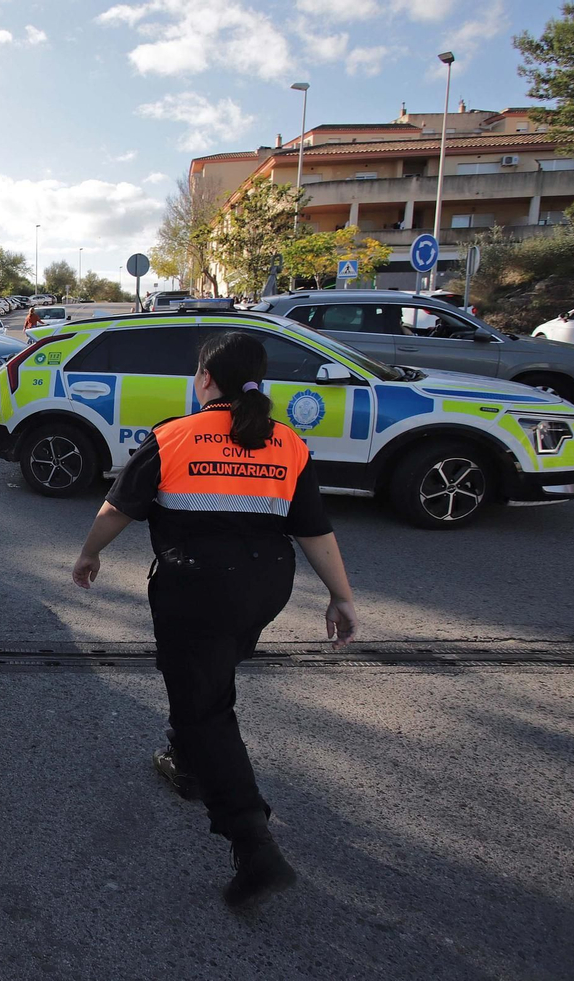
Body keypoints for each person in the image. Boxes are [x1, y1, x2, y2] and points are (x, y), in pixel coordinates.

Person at [70, 331, 359, 909]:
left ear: (205, 379)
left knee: (204, 707)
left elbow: (116, 509)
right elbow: (313, 530)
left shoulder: (173, 436)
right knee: (205, 675)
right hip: (263, 589)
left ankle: (252, 841)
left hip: (195, 588)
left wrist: (89, 553)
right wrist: (342, 596)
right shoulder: (287, 443)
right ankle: (188, 765)